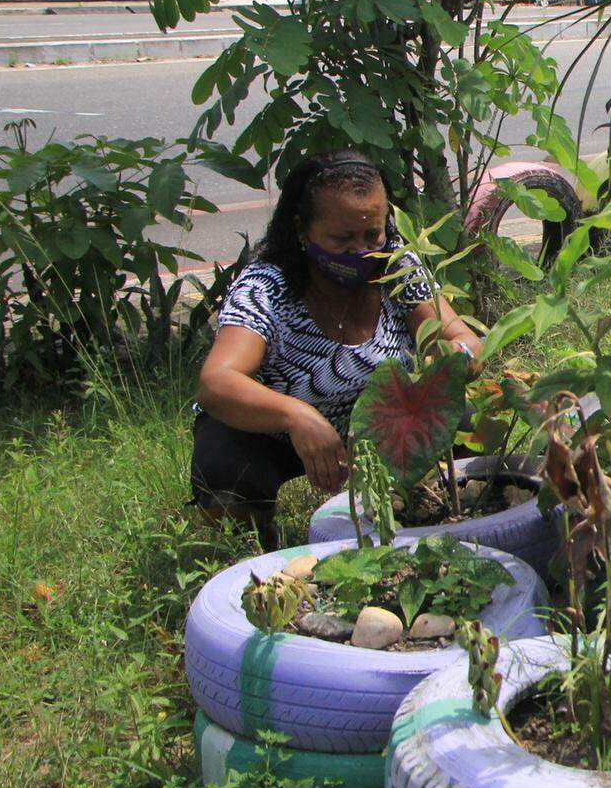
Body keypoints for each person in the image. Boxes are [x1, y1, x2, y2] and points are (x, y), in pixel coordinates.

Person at [192, 150, 481, 546]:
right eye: (342, 239)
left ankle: (434, 517)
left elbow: (464, 340)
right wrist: (297, 415)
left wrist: (449, 362)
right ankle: (250, 547)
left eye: (372, 235)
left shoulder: (397, 268)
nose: (360, 251)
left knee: (462, 420)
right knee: (227, 472)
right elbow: (217, 382)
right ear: (302, 230)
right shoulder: (266, 288)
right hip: (280, 433)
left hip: (379, 421)